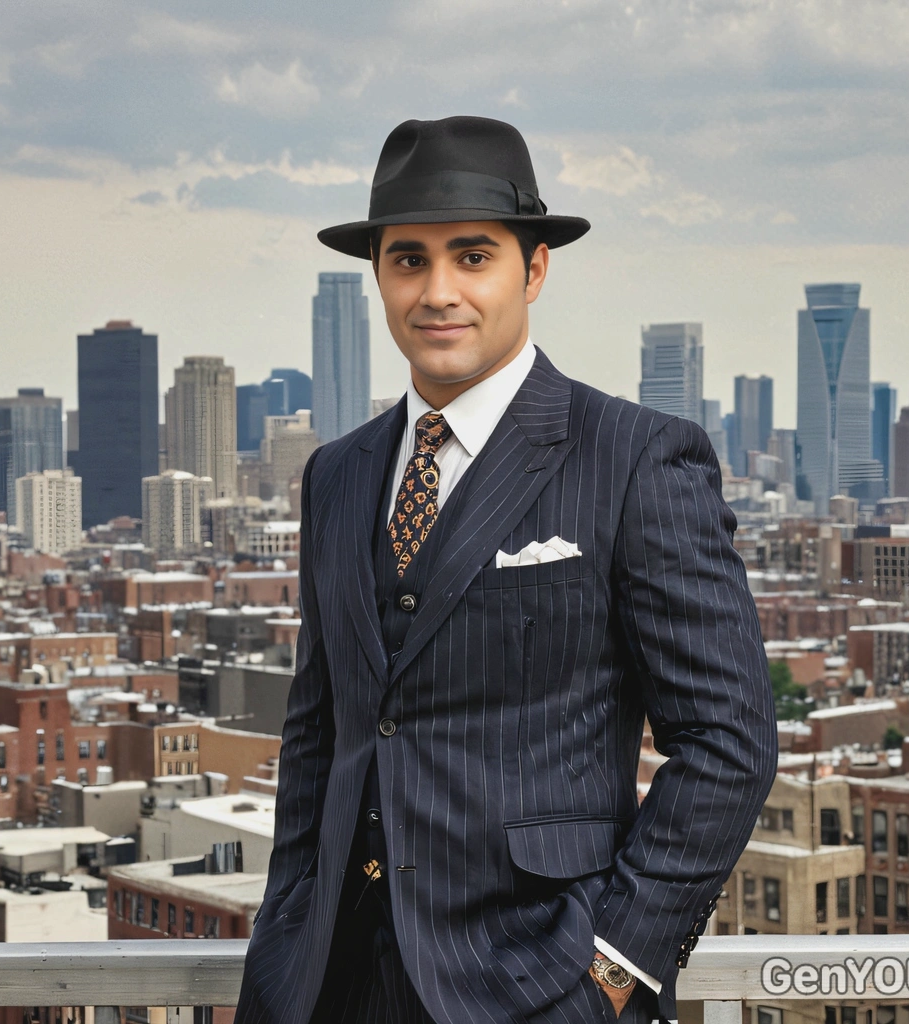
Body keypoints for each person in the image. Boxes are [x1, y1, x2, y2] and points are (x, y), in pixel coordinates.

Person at [236, 115, 778, 1024]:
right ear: (377, 276)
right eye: (408, 260)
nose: (438, 291)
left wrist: (611, 971)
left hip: (538, 988)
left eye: (473, 256)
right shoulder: (336, 475)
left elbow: (729, 742)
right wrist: (285, 931)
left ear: (533, 270)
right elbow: (319, 732)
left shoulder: (635, 458)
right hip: (326, 985)